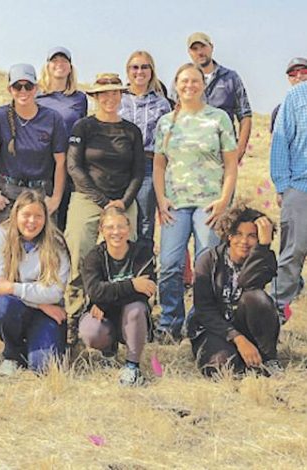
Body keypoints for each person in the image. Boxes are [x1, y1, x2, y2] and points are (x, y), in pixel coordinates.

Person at [153, 63, 238, 341]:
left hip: (209, 205)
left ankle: (200, 321)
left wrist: (224, 200)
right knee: (169, 264)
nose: (189, 86)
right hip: (175, 204)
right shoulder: (167, 121)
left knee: (207, 267)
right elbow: (159, 165)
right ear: (176, 85)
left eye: (195, 81)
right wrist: (161, 198)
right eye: (184, 81)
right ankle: (169, 322)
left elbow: (231, 165)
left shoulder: (219, 119)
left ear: (203, 84)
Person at [64, 73, 144, 343]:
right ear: (96, 97)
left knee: (127, 253)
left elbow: (137, 172)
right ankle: (73, 317)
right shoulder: (83, 127)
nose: (110, 98)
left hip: (123, 198)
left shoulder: (131, 131)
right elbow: (74, 167)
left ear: (121, 95)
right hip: (88, 197)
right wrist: (102, 202)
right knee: (78, 250)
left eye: (115, 92)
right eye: (104, 93)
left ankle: (125, 318)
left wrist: (122, 202)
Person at [188, 204, 281, 376]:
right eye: (238, 234)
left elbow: (247, 282)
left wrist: (263, 247)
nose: (244, 241)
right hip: (214, 329)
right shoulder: (208, 260)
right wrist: (237, 338)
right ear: (228, 235)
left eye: (252, 236)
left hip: (246, 325)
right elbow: (204, 310)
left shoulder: (265, 259)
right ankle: (244, 361)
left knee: (257, 298)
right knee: (222, 367)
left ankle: (268, 359)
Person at [0, 190, 70, 376]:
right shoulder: (0, 236)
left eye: (38, 216)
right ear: (16, 215)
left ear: (46, 218)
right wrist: (40, 303)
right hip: (20, 307)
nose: (32, 221)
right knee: (2, 307)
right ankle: (12, 353)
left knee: (44, 367)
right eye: (26, 215)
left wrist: (13, 287)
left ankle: (34, 347)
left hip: (47, 314)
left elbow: (55, 292)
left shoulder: (56, 243)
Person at [0, 63, 67, 225]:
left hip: (41, 192)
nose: (23, 91)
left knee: (44, 248)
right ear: (10, 90)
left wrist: (55, 199)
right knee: (8, 245)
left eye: (28, 86)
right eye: (17, 87)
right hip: (8, 192)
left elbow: (61, 161)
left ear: (36, 88)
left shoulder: (53, 118)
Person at [79, 207, 155, 386]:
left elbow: (145, 293)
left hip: (131, 317)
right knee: (90, 331)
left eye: (121, 226)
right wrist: (132, 285)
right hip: (104, 317)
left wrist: (105, 302)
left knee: (136, 308)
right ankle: (108, 351)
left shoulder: (142, 254)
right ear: (101, 230)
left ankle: (132, 366)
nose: (116, 232)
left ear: (129, 229)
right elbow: (94, 291)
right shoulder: (93, 257)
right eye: (110, 227)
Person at [118, 51, 172, 243]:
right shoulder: (118, 99)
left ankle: (143, 267)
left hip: (148, 164)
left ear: (151, 71)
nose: (139, 71)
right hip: (121, 165)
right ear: (128, 71)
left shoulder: (161, 103)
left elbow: (166, 140)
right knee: (120, 218)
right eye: (135, 67)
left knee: (144, 221)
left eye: (144, 67)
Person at [36, 46, 88, 231]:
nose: (60, 64)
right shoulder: (36, 95)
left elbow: (82, 131)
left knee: (65, 220)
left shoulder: (79, 98)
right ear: (47, 66)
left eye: (64, 61)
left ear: (70, 67)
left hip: (70, 165)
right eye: (55, 60)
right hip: (42, 165)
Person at [270, 73, 307, 320]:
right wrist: (284, 186)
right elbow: (281, 141)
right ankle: (273, 320)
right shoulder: (297, 96)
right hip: (301, 187)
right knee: (292, 254)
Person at [183, 32, 251, 163]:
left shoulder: (230, 77)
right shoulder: (183, 80)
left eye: (203, 47)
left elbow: (245, 115)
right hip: (191, 156)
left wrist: (239, 150)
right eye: (195, 49)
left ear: (211, 47)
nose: (200, 52)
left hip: (223, 153)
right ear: (189, 52)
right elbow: (172, 115)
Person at [270, 57, 307, 133]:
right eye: (293, 74)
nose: (299, 76)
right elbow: (276, 141)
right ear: (289, 78)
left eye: (304, 71)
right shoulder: (279, 111)